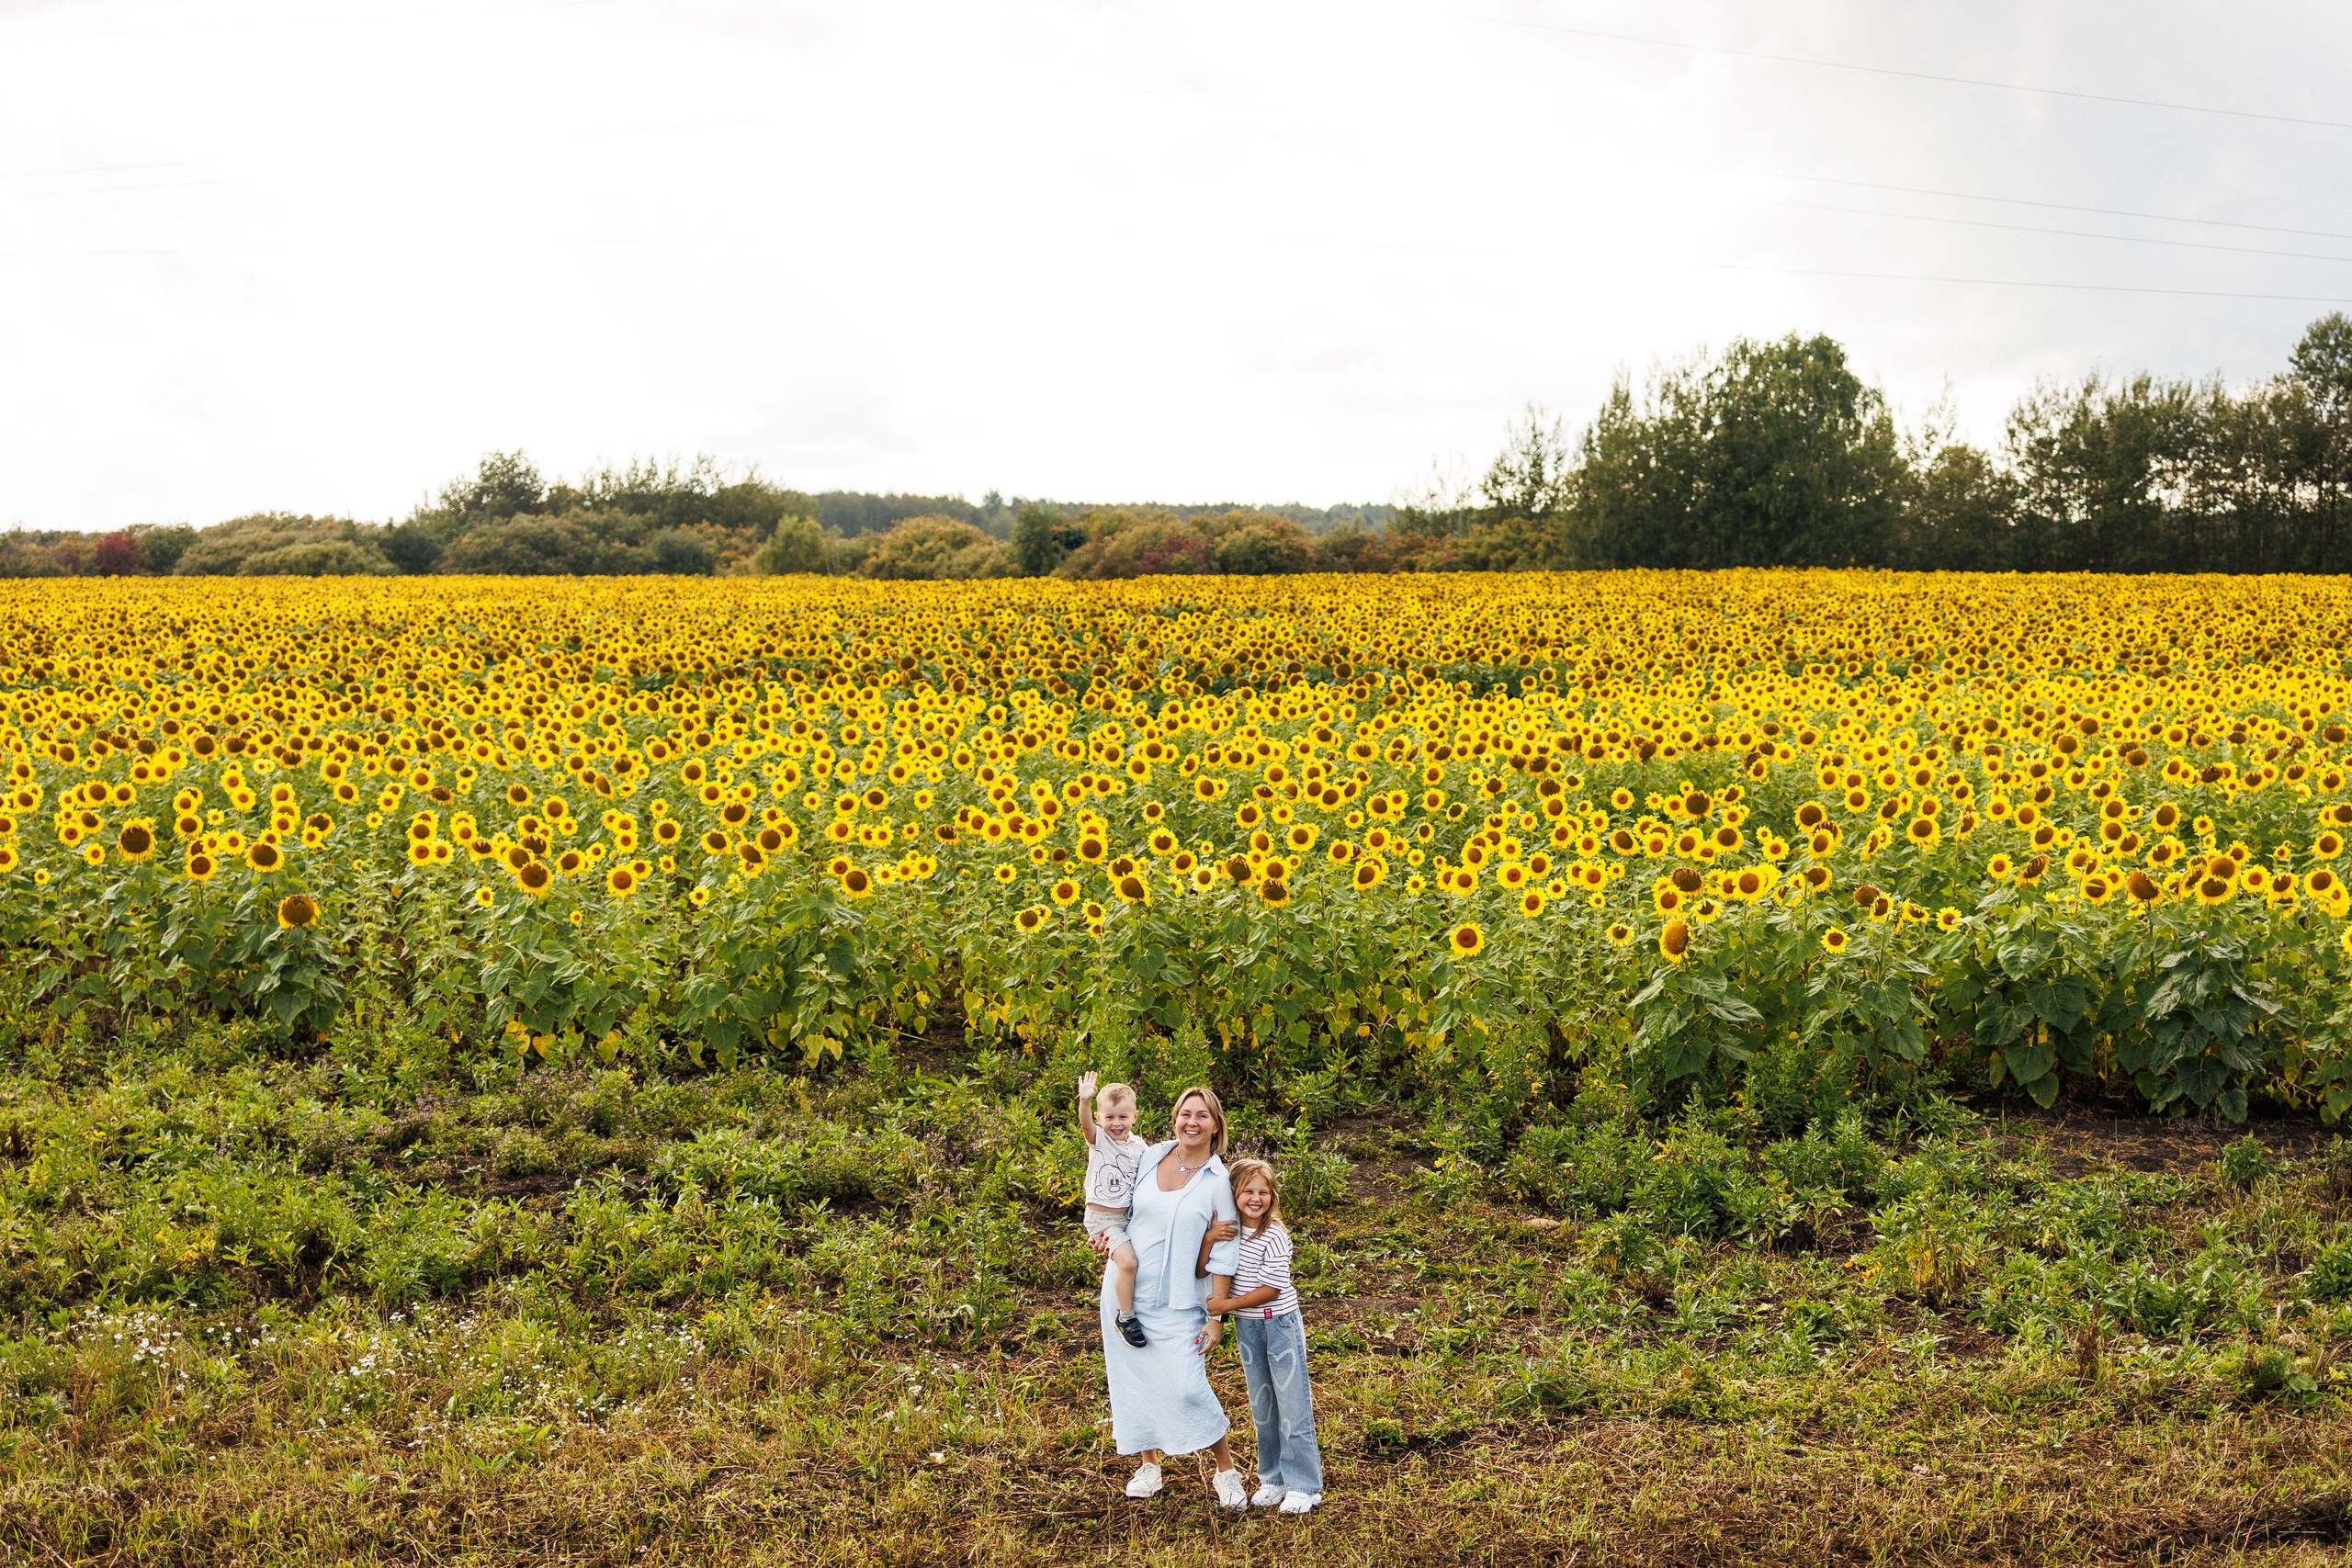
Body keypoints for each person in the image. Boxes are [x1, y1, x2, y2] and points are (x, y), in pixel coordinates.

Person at [1096, 1086, 1249, 1508]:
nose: (1192, 1122)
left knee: (1187, 1386)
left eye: (1202, 1115)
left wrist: (1216, 1316)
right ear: (1173, 1118)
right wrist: (1106, 1237)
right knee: (1134, 1380)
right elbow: (1114, 1202)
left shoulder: (1219, 1181)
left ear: (1215, 1125)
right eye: (1185, 1113)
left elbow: (1225, 1252)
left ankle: (1227, 1472)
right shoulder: (1149, 1156)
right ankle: (1148, 1465)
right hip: (1125, 1292)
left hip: (1181, 1300)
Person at [1206, 1158, 1324, 1515]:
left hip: (1278, 1324)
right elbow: (1209, 1266)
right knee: (1262, 1405)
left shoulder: (1274, 1234)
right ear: (1233, 1193)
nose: (1255, 1198)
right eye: (1248, 1191)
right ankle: (1272, 1479)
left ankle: (1305, 1485)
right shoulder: (1229, 1231)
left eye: (1263, 1192)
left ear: (1272, 1197)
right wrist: (1210, 1238)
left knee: (1292, 1404)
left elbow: (1273, 1288)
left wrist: (1226, 1304)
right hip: (1248, 1326)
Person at [1076, 1071, 1149, 1346]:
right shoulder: (1100, 1141)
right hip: (1103, 1219)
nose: (1116, 1124)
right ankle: (1125, 1316)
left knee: (1139, 1260)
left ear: (1135, 1116)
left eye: (1122, 1117)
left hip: (1126, 1216)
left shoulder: (1139, 1145)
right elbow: (1084, 1126)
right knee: (1129, 1263)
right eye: (1109, 1117)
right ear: (1099, 1118)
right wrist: (1085, 1101)